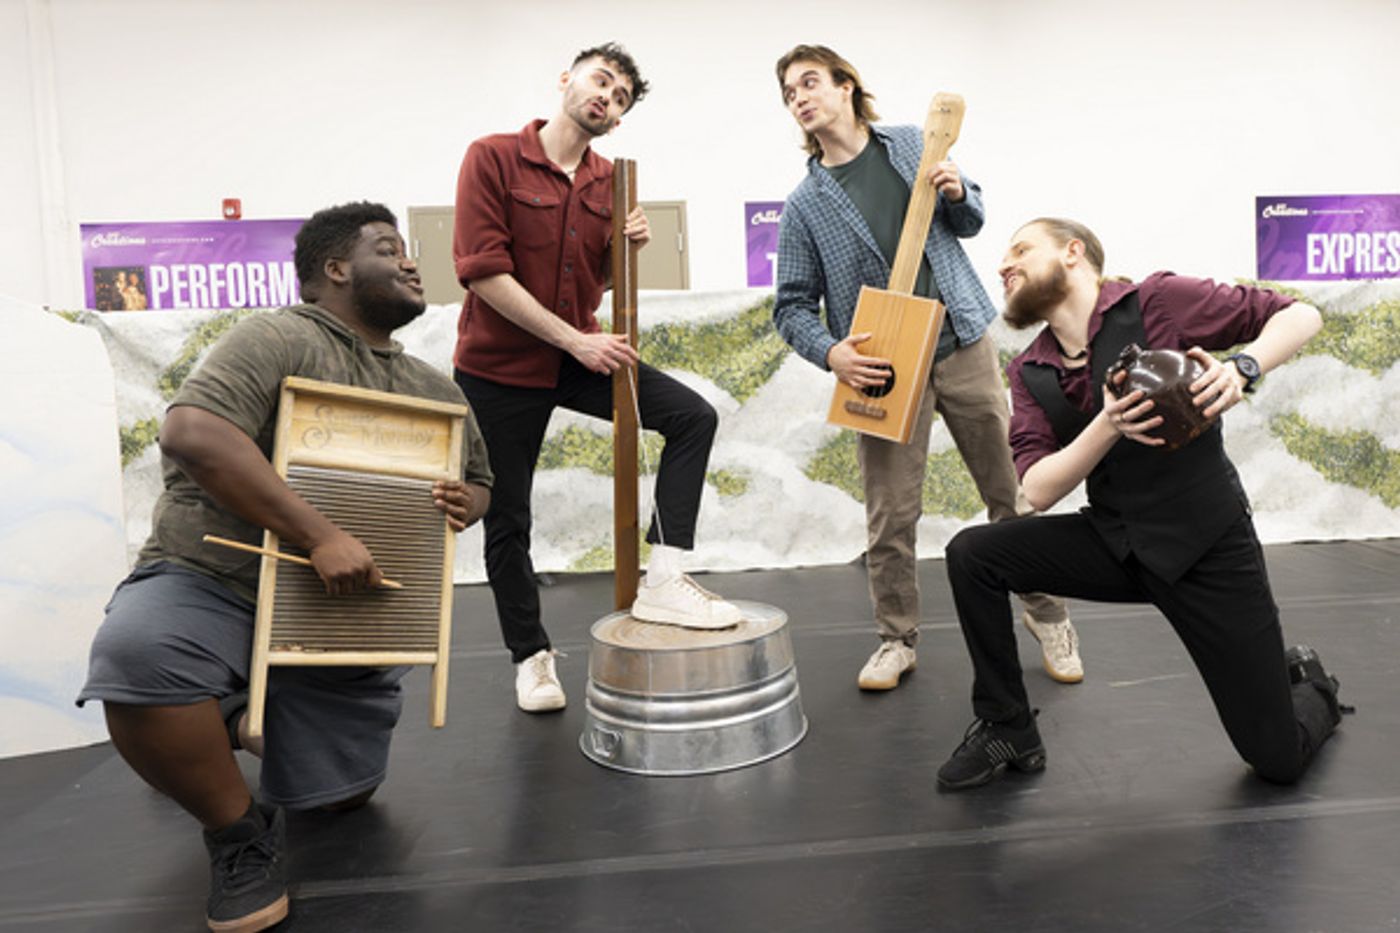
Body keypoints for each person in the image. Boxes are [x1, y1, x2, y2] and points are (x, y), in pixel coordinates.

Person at [77, 201, 494, 931]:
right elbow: (194, 432)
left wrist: (469, 500)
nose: (409, 261)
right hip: (215, 577)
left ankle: (234, 713)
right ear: (335, 269)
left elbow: (480, 482)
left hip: (342, 611)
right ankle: (238, 833)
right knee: (137, 658)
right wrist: (318, 533)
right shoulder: (277, 336)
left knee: (338, 801)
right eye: (387, 248)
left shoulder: (435, 388)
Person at [935, 217, 1347, 790]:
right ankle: (1009, 727)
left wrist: (1242, 368)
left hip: (1209, 551)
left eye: (1021, 249)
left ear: (1073, 253)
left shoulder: (1158, 302)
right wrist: (1106, 423)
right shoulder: (1030, 371)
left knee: (1277, 760)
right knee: (973, 554)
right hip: (1117, 545)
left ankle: (1310, 680)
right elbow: (1036, 490)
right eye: (1004, 257)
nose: (1004, 264)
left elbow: (1301, 314)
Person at [771, 45, 1081, 692]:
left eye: (810, 83)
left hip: (963, 341)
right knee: (890, 515)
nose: (800, 98)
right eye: (789, 92)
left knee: (1011, 494)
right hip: (882, 366)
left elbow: (969, 220)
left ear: (846, 86)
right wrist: (832, 352)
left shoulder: (914, 144)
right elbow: (792, 307)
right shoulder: (804, 205)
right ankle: (896, 638)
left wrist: (960, 190)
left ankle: (1047, 615)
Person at [453, 41, 741, 714]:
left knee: (692, 416)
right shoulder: (492, 156)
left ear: (618, 120)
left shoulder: (611, 181)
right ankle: (530, 657)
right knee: (508, 517)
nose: (606, 98)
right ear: (567, 80)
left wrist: (624, 254)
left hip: (576, 356)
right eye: (601, 82)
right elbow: (483, 272)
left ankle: (665, 575)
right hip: (499, 369)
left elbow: (592, 279)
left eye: (619, 99)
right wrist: (576, 340)